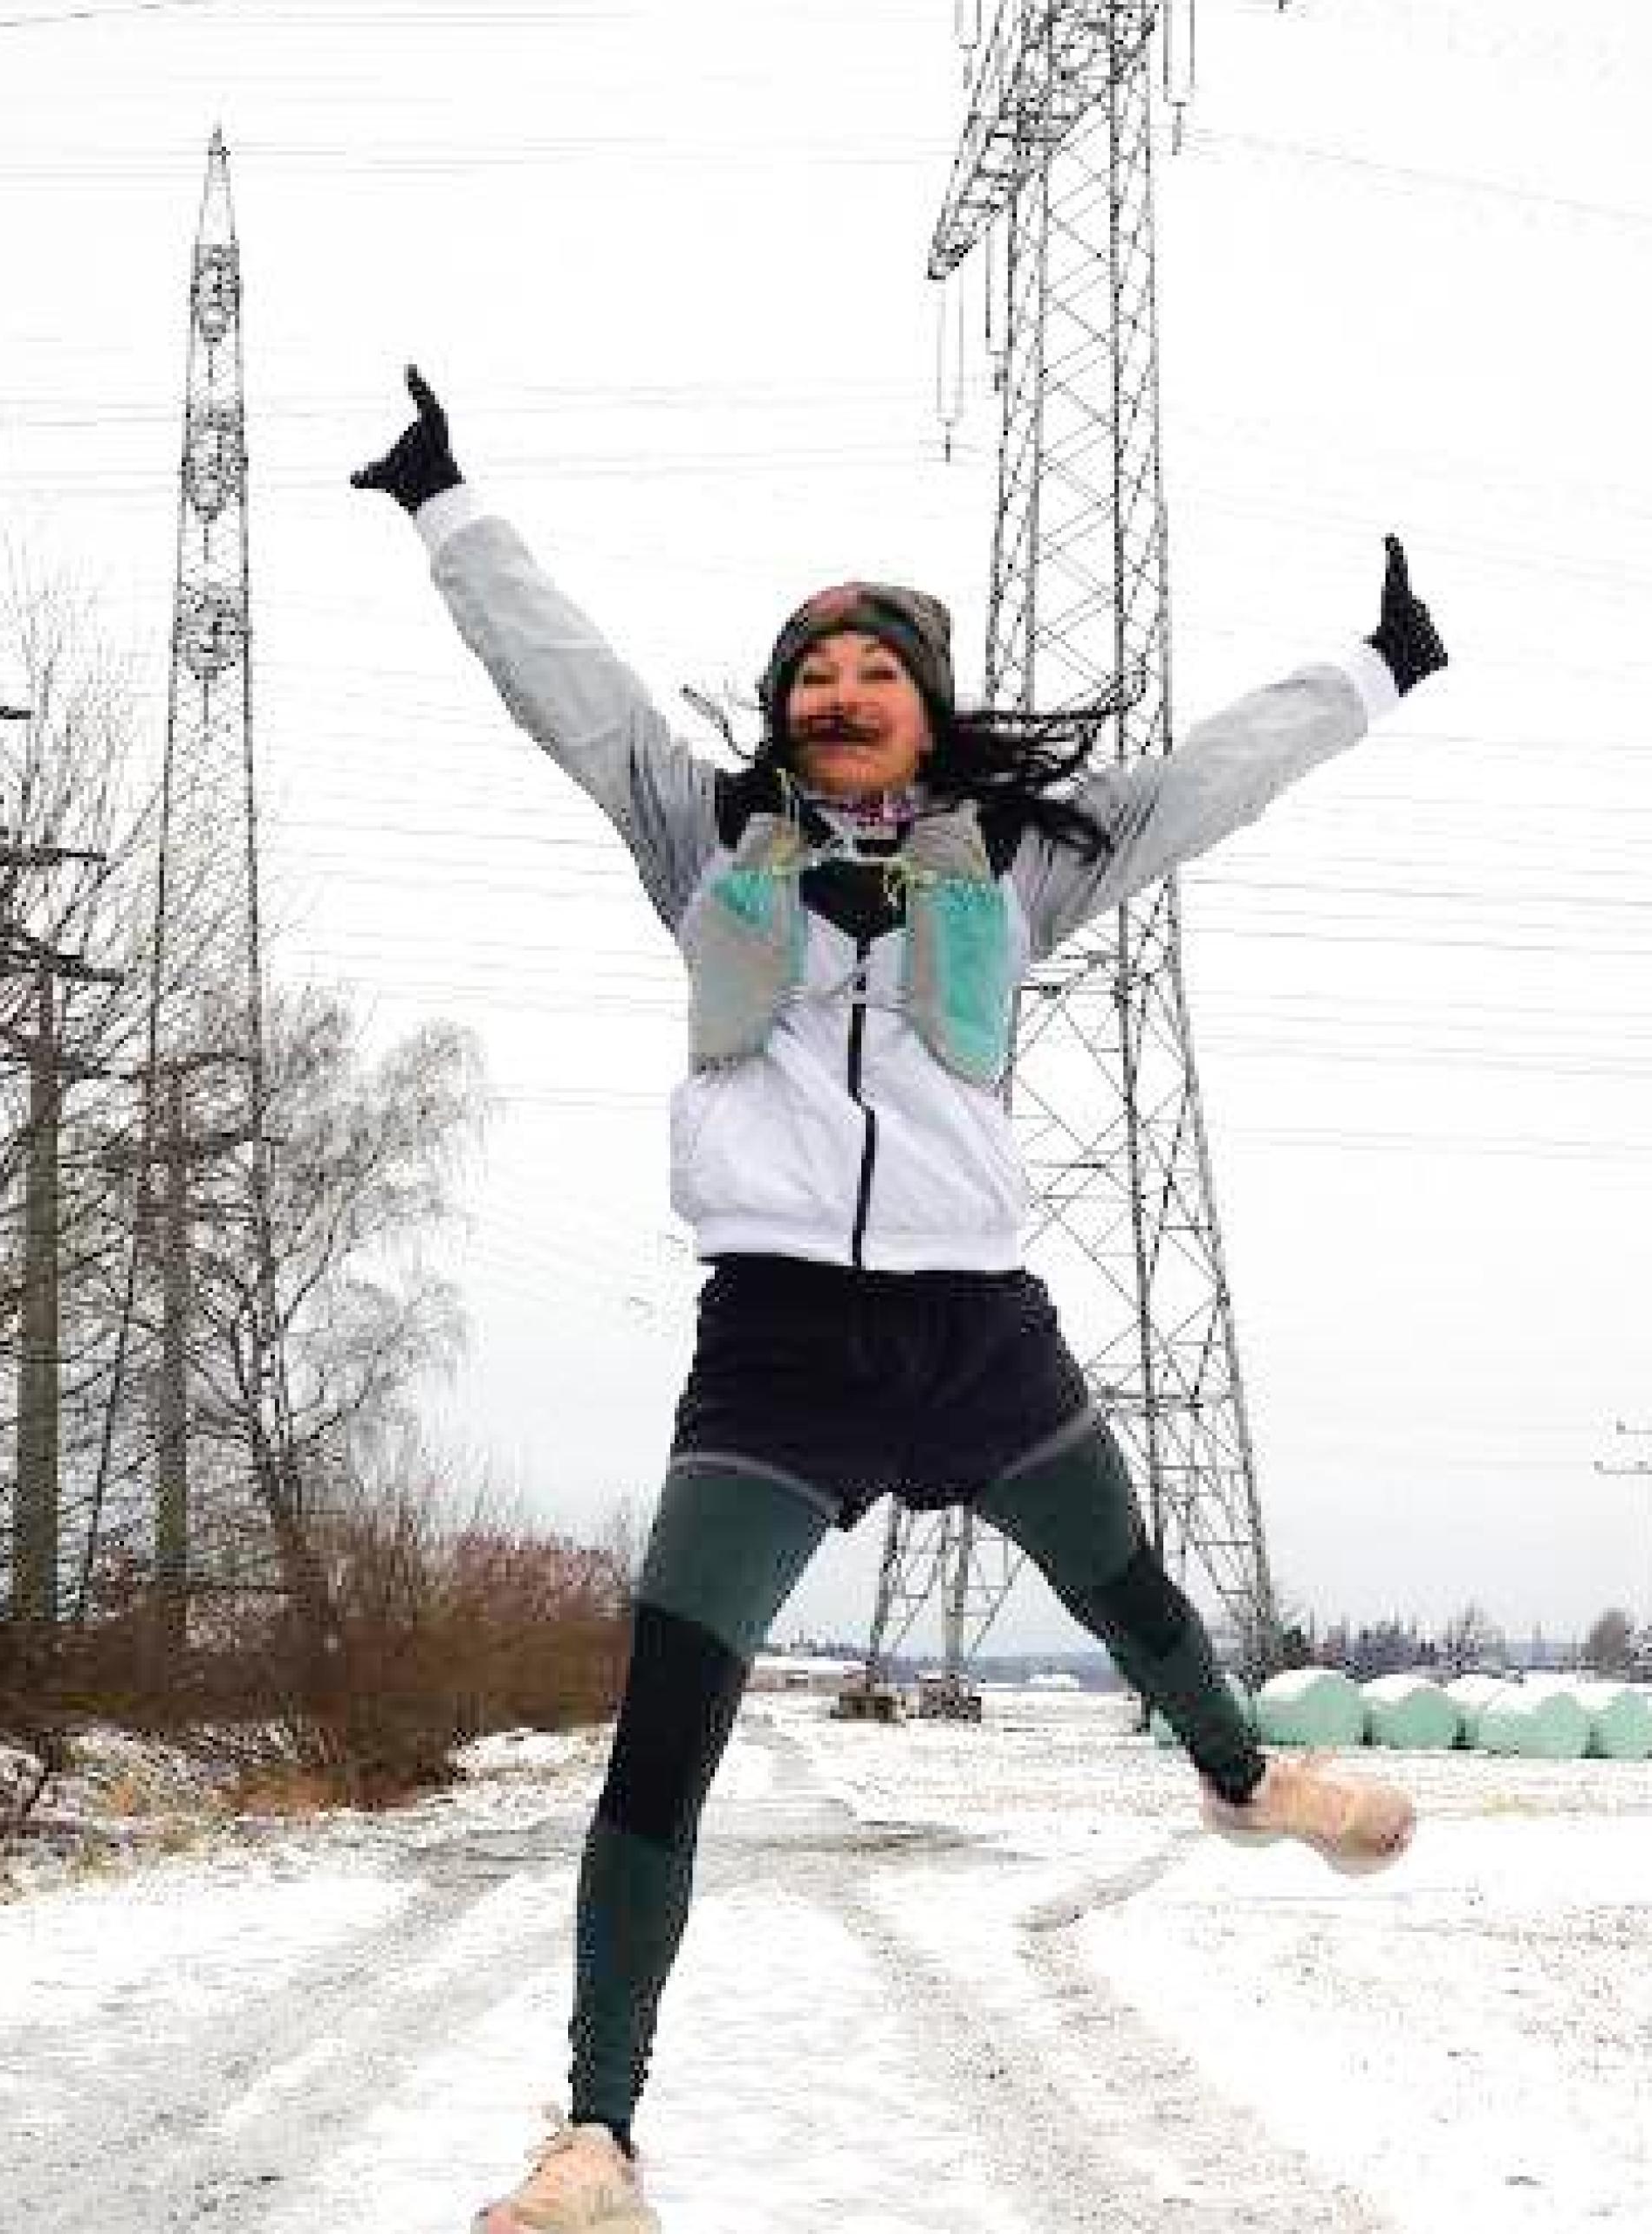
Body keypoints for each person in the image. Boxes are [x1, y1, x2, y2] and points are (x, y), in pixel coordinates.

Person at [353, 366, 1448, 2234]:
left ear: (925, 707)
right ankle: (597, 2130)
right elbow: (574, 686)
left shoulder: (1022, 861)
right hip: (776, 1347)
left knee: (1132, 1594)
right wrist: (451, 508)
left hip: (976, 1334)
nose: (834, 698)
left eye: (870, 673)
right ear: (778, 714)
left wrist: (1376, 667)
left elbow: (1208, 777)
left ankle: (1246, 1773)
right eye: (805, 676)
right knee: (664, 1729)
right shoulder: (705, 840)